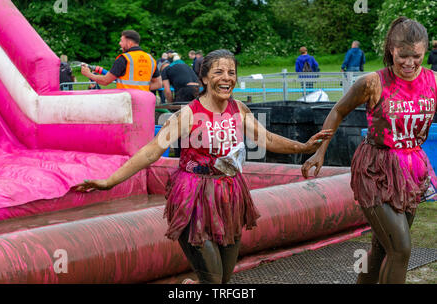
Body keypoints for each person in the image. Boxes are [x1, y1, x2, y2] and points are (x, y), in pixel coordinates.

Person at [73, 49, 333, 284]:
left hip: (230, 195)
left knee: (222, 281)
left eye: (231, 72)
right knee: (213, 281)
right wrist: (110, 181)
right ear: (205, 79)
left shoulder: (238, 109)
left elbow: (266, 139)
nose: (227, 78)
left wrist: (303, 146)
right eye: (218, 72)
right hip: (193, 197)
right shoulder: (188, 114)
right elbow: (152, 151)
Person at [302, 17, 437, 284]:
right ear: (391, 50)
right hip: (374, 169)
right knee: (401, 248)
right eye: (403, 56)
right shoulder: (372, 82)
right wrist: (320, 151)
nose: (409, 63)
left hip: (411, 168)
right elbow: (339, 110)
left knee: (382, 249)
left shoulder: (433, 81)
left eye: (416, 56)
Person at [81, 30, 162, 91]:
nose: (120, 43)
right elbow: (158, 84)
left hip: (126, 100)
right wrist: (141, 89)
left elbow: (105, 81)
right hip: (144, 100)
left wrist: (88, 74)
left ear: (129, 43)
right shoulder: (150, 58)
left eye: (121, 41)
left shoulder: (124, 58)